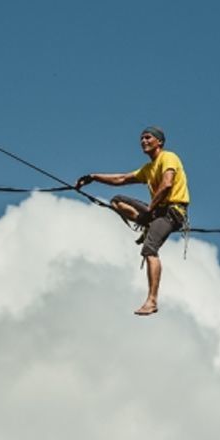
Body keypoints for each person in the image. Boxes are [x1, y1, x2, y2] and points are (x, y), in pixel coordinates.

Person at [76, 126, 191, 315]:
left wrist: (150, 209)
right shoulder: (148, 169)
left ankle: (152, 301)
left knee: (149, 249)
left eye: (148, 138)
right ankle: (147, 223)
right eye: (141, 139)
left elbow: (167, 184)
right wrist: (93, 177)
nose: (143, 141)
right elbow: (121, 178)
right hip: (156, 213)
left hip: (173, 212)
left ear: (159, 142)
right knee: (117, 201)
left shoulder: (168, 157)